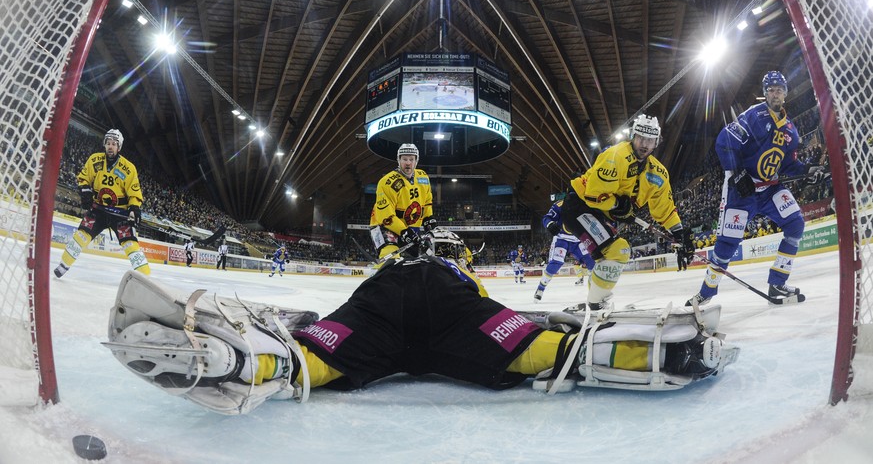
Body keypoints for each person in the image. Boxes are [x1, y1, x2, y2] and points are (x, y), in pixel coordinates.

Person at [105, 229, 738, 415]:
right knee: (549, 349)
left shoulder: (400, 260)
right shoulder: (461, 271)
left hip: (382, 303)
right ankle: (659, 352)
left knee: (310, 357)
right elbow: (525, 320)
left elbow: (316, 319)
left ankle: (240, 359)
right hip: (452, 312)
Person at [687, 71, 826, 307]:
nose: (775, 93)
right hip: (742, 191)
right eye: (771, 89)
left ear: (785, 93)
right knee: (726, 245)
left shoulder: (791, 131)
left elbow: (789, 164)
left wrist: (808, 170)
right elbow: (724, 141)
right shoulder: (753, 116)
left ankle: (777, 282)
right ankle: (705, 294)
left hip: (771, 189)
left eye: (779, 89)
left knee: (795, 224)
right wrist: (737, 173)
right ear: (765, 93)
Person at [558, 114, 695, 310]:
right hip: (579, 206)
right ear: (633, 136)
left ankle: (594, 300)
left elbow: (664, 209)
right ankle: (595, 305)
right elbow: (593, 193)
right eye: (641, 138)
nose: (644, 144)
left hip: (601, 215)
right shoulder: (615, 156)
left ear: (656, 143)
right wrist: (616, 205)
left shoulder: (658, 173)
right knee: (619, 250)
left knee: (606, 260)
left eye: (650, 140)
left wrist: (679, 233)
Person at [54, 129, 150, 278]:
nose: (110, 147)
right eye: (108, 143)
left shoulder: (128, 168)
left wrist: (134, 208)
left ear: (119, 147)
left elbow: (134, 192)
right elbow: (83, 178)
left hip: (120, 214)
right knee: (80, 236)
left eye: (114, 144)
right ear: (104, 144)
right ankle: (64, 264)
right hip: (98, 210)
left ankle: (146, 278)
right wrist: (85, 191)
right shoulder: (94, 160)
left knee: (130, 244)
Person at [369, 143, 436, 259]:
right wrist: (403, 231)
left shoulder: (423, 177)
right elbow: (386, 216)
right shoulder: (386, 182)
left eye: (411, 159)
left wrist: (428, 217)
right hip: (384, 226)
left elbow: (427, 201)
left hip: (410, 227)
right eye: (404, 159)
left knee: (421, 259)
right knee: (390, 256)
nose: (408, 163)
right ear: (398, 160)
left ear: (416, 161)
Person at [536, 199, 597, 302]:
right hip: (561, 239)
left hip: (579, 239)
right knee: (556, 263)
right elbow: (547, 217)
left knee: (592, 262)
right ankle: (540, 288)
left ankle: (594, 294)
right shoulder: (560, 205)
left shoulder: (587, 204)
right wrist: (550, 224)